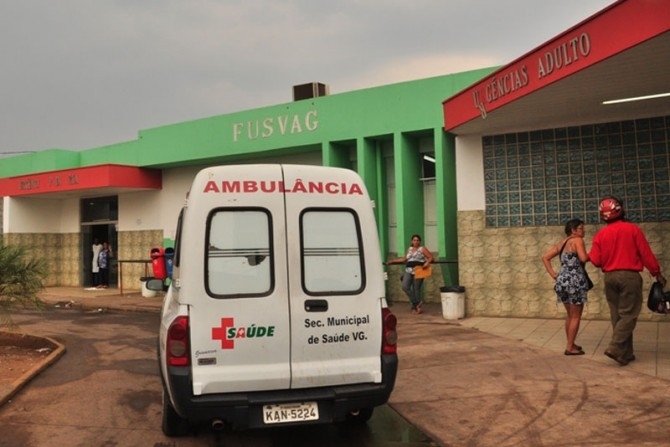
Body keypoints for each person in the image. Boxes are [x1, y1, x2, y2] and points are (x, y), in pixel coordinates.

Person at [589, 196, 666, 366]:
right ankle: (615, 347)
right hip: (629, 277)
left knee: (618, 315)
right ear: (621, 210)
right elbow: (646, 254)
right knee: (629, 314)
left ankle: (626, 353)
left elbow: (595, 260)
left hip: (610, 278)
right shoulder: (632, 229)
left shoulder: (600, 235)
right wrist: (657, 273)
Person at [542, 218, 590, 356]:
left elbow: (545, 257)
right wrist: (594, 255)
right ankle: (569, 347)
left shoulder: (562, 243)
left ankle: (571, 342)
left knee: (570, 315)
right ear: (573, 230)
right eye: (581, 228)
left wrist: (554, 275)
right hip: (575, 282)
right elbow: (583, 258)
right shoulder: (578, 240)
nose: (583, 230)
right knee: (575, 316)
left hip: (562, 281)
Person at [387, 234, 433, 314]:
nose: (416, 242)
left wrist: (427, 263)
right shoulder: (409, 249)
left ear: (420, 241)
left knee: (416, 289)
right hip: (408, 270)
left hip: (418, 270)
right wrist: (393, 261)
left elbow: (431, 257)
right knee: (405, 286)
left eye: (417, 240)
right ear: (412, 241)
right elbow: (404, 259)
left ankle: (415, 308)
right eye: (414, 240)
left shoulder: (422, 249)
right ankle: (416, 302)